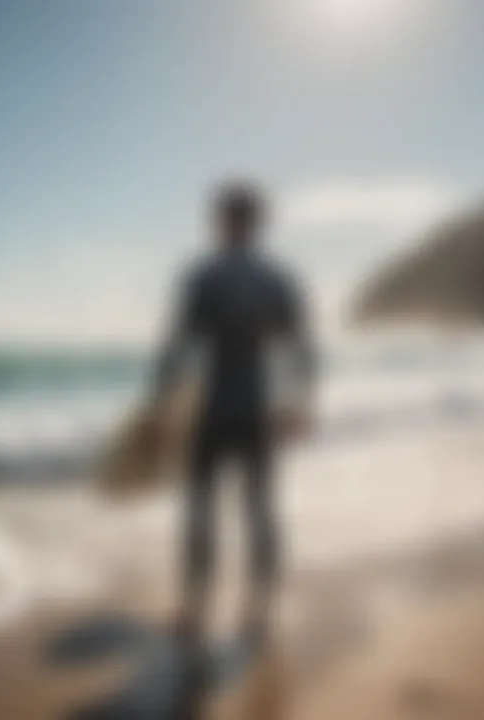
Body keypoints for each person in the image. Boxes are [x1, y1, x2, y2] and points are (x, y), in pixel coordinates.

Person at [148, 181, 315, 646]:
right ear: (258, 223)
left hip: (211, 410)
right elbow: (300, 349)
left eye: (220, 215)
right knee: (260, 508)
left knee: (201, 508)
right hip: (259, 408)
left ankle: (194, 607)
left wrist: (160, 404)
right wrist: (299, 403)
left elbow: (176, 347)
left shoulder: (202, 276)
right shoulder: (278, 279)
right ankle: (259, 607)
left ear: (221, 220)